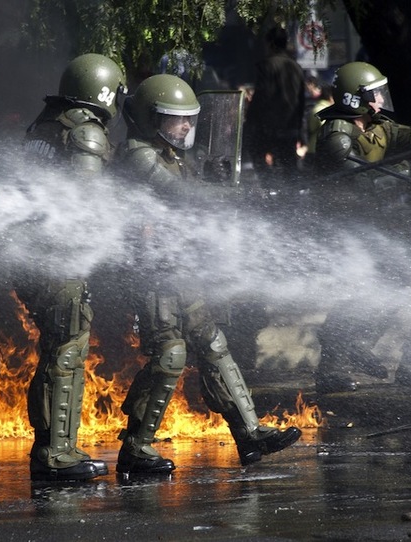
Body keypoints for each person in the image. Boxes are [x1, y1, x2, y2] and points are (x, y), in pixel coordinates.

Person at [115, 73, 301, 474]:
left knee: (212, 343)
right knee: (170, 354)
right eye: (175, 119)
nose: (185, 127)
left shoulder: (169, 154)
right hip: (151, 275)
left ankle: (250, 434)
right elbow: (182, 198)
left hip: (178, 269)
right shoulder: (139, 155)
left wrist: (214, 181)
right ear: (151, 120)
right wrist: (234, 194)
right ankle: (136, 449)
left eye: (190, 119)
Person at [311, 60, 411, 394]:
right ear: (355, 98)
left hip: (377, 226)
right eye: (373, 94)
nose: (381, 99)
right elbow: (359, 183)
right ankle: (333, 367)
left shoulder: (376, 125)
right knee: (359, 295)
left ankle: (358, 347)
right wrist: (410, 167)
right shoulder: (338, 135)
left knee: (392, 288)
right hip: (347, 229)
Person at [18, 53, 125, 481]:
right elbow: (86, 200)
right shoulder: (86, 132)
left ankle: (51, 448)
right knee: (67, 351)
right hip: (60, 258)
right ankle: (58, 455)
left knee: (54, 350)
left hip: (32, 257)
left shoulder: (44, 125)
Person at [243, 26, 306, 189]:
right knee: (289, 166)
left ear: (270, 43)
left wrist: (250, 120)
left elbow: (263, 96)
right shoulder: (296, 67)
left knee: (257, 154)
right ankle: (290, 198)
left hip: (270, 127)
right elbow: (301, 101)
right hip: (290, 126)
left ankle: (270, 192)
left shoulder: (267, 65)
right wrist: (299, 129)